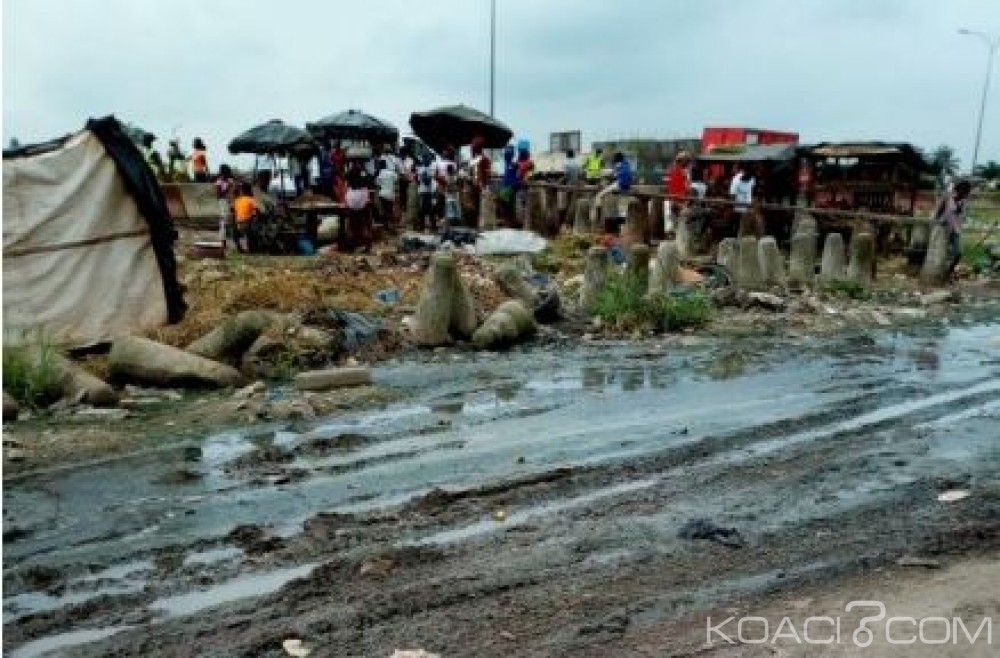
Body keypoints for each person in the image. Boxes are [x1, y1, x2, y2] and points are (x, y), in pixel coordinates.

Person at [935, 178, 972, 278]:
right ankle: (940, 273)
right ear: (959, 190)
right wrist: (938, 224)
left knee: (958, 253)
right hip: (943, 229)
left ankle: (949, 272)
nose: (966, 194)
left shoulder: (964, 203)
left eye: (967, 192)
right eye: (965, 191)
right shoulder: (948, 198)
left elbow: (963, 217)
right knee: (940, 252)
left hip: (955, 231)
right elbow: (939, 213)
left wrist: (960, 210)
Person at [592, 152, 633, 227]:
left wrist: (601, 173)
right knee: (622, 205)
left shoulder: (619, 165)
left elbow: (613, 173)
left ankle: (598, 215)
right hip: (627, 186)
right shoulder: (627, 164)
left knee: (599, 195)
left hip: (620, 184)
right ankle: (620, 218)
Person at [343, 154, 375, 251]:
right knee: (365, 222)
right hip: (361, 197)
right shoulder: (364, 172)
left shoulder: (350, 172)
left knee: (353, 222)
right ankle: (366, 244)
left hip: (352, 197)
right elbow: (369, 183)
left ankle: (353, 244)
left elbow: (346, 182)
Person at [664, 151, 692, 232]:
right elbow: (687, 188)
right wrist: (685, 203)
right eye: (688, 162)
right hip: (680, 201)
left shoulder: (673, 171)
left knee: (675, 224)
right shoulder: (683, 173)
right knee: (681, 225)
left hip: (674, 200)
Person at [232, 182, 258, 253]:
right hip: (247, 223)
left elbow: (234, 213)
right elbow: (255, 213)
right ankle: (250, 246)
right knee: (253, 223)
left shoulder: (237, 200)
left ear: (242, 191)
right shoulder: (251, 200)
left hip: (238, 223)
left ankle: (240, 247)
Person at [214, 164, 237, 243]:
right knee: (223, 221)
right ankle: (223, 240)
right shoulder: (219, 181)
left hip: (231, 201)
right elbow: (219, 195)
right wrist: (228, 187)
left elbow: (234, 191)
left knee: (233, 220)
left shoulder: (231, 180)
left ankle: (234, 240)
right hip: (223, 202)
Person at [375, 156, 399, 226]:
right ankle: (391, 224)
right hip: (391, 194)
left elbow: (377, 184)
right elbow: (396, 179)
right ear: (385, 165)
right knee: (390, 209)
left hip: (382, 194)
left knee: (384, 209)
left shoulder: (379, 174)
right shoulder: (391, 173)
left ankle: (386, 224)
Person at [416, 154, 436, 231]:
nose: (428, 160)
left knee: (430, 209)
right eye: (426, 158)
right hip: (423, 191)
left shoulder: (430, 168)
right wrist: (426, 178)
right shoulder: (421, 169)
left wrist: (425, 177)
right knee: (423, 209)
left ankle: (431, 226)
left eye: (428, 158)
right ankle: (422, 226)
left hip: (429, 191)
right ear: (424, 159)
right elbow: (425, 181)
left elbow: (427, 181)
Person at [442, 163, 462, 228]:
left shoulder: (450, 177)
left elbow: (449, 186)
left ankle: (453, 222)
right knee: (453, 207)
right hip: (452, 194)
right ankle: (453, 222)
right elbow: (450, 186)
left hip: (452, 194)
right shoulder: (452, 177)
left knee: (452, 207)